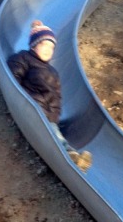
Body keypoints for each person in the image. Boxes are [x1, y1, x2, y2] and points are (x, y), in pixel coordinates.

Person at [7, 20, 93, 172]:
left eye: (52, 47)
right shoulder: (23, 58)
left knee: (55, 133)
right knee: (55, 135)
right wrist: (23, 99)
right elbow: (14, 78)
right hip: (33, 107)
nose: (48, 50)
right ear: (34, 45)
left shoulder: (53, 71)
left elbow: (57, 96)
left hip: (49, 115)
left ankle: (74, 157)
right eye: (44, 45)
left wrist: (56, 115)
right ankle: (69, 155)